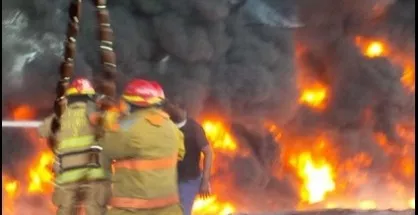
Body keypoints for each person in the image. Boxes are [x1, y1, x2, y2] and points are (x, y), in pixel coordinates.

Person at [99, 79, 185, 215]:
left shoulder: (127, 128)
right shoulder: (172, 127)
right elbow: (180, 153)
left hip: (132, 209)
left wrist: (109, 122)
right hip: (169, 209)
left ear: (128, 104)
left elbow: (106, 149)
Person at [38, 78, 111, 215]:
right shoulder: (98, 114)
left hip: (68, 176)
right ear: (90, 97)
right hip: (95, 175)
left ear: (69, 98)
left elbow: (42, 131)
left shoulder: (59, 116)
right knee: (96, 210)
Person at [164, 97, 213, 215]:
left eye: (172, 106)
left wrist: (205, 181)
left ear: (181, 108)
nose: (168, 110)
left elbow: (208, 152)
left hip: (188, 180)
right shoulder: (165, 125)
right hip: (167, 179)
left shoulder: (194, 129)